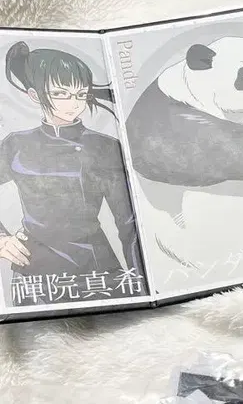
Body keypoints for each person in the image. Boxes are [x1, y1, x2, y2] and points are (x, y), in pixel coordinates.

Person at [0, 42, 143, 299]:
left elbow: (128, 224)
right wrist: (1, 239)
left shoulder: (104, 146)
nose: (74, 103)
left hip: (95, 267)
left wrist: (141, 282)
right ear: (34, 95)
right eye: (61, 93)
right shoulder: (15, 144)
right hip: (33, 270)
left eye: (80, 94)